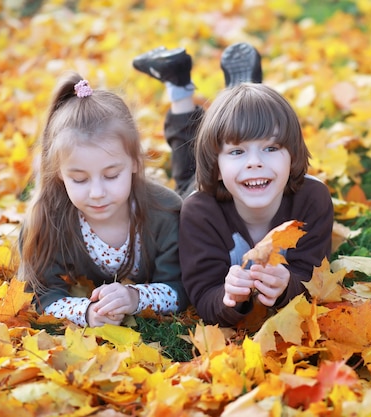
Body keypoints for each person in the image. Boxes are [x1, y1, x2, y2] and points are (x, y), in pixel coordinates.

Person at [133, 43, 334, 328]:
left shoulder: (312, 200)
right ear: (216, 168)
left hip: (237, 178)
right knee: (188, 169)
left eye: (272, 147)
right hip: (211, 193)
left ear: (293, 155)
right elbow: (203, 292)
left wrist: (289, 285)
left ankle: (243, 96)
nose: (255, 162)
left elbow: (313, 273)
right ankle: (179, 87)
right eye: (238, 152)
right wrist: (227, 296)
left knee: (241, 124)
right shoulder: (200, 212)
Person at [17, 72, 188, 327]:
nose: (97, 192)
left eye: (111, 175)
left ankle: (183, 94)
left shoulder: (166, 212)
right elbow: (39, 293)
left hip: (188, 197)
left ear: (134, 162)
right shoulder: (47, 221)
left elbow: (181, 288)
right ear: (60, 174)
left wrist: (135, 298)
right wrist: (86, 312)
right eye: (80, 179)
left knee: (197, 183)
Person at [132, 42, 263, 196]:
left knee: (193, 185)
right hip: (248, 183)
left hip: (210, 193)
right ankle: (243, 103)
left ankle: (237, 104)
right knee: (190, 183)